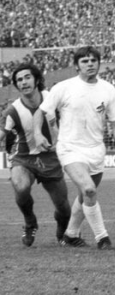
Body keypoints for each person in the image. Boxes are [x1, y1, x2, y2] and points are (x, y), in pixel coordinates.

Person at [34, 46, 115, 250]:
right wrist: (37, 133)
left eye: (93, 60)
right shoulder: (64, 87)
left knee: (84, 195)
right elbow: (41, 111)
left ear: (99, 63)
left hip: (96, 150)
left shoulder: (108, 90)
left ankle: (70, 235)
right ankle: (102, 238)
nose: (90, 64)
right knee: (89, 189)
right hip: (70, 148)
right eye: (85, 61)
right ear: (77, 66)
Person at [0, 63, 73, 247]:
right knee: (20, 186)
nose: (23, 82)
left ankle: (61, 232)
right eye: (19, 80)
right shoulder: (13, 110)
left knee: (64, 208)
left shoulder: (53, 99)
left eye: (27, 77)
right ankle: (30, 222)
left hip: (51, 158)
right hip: (24, 158)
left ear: (37, 79)